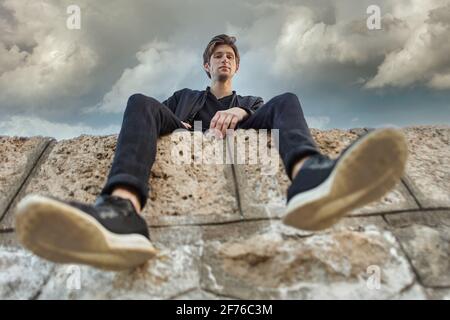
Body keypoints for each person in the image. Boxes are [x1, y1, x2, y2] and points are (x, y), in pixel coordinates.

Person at [15, 34, 408, 270]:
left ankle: (310, 175)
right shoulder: (185, 98)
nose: (224, 59)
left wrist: (243, 110)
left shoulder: (250, 100)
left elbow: (271, 112)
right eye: (217, 56)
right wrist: (182, 126)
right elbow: (153, 116)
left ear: (235, 67)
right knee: (138, 100)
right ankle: (120, 210)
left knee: (286, 98)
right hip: (183, 130)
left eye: (230, 57)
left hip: (248, 124)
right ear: (207, 65)